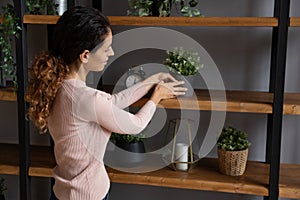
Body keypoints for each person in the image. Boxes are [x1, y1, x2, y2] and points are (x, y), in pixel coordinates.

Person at [25, 6, 187, 200]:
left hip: (61, 193)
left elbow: (112, 102)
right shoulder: (88, 98)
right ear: (85, 55)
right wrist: (156, 98)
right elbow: (136, 124)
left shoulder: (55, 86)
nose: (111, 53)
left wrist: (150, 81)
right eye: (106, 48)